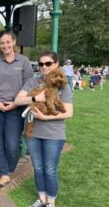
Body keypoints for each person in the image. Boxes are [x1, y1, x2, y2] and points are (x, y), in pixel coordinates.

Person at [14, 51, 73, 207]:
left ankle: (51, 202)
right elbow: (18, 100)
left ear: (56, 64)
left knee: (50, 169)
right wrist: (35, 98)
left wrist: (45, 117)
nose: (44, 67)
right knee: (38, 168)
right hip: (32, 133)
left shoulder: (63, 85)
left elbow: (69, 112)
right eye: (41, 64)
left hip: (54, 134)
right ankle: (41, 199)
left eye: (48, 63)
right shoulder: (32, 82)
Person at [0, 30, 33, 187]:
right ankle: (4, 173)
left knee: (12, 143)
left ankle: (9, 168)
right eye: (2, 42)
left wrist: (16, 103)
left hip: (16, 107)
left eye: (7, 42)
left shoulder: (23, 61)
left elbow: (29, 83)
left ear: (14, 43)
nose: (5, 45)